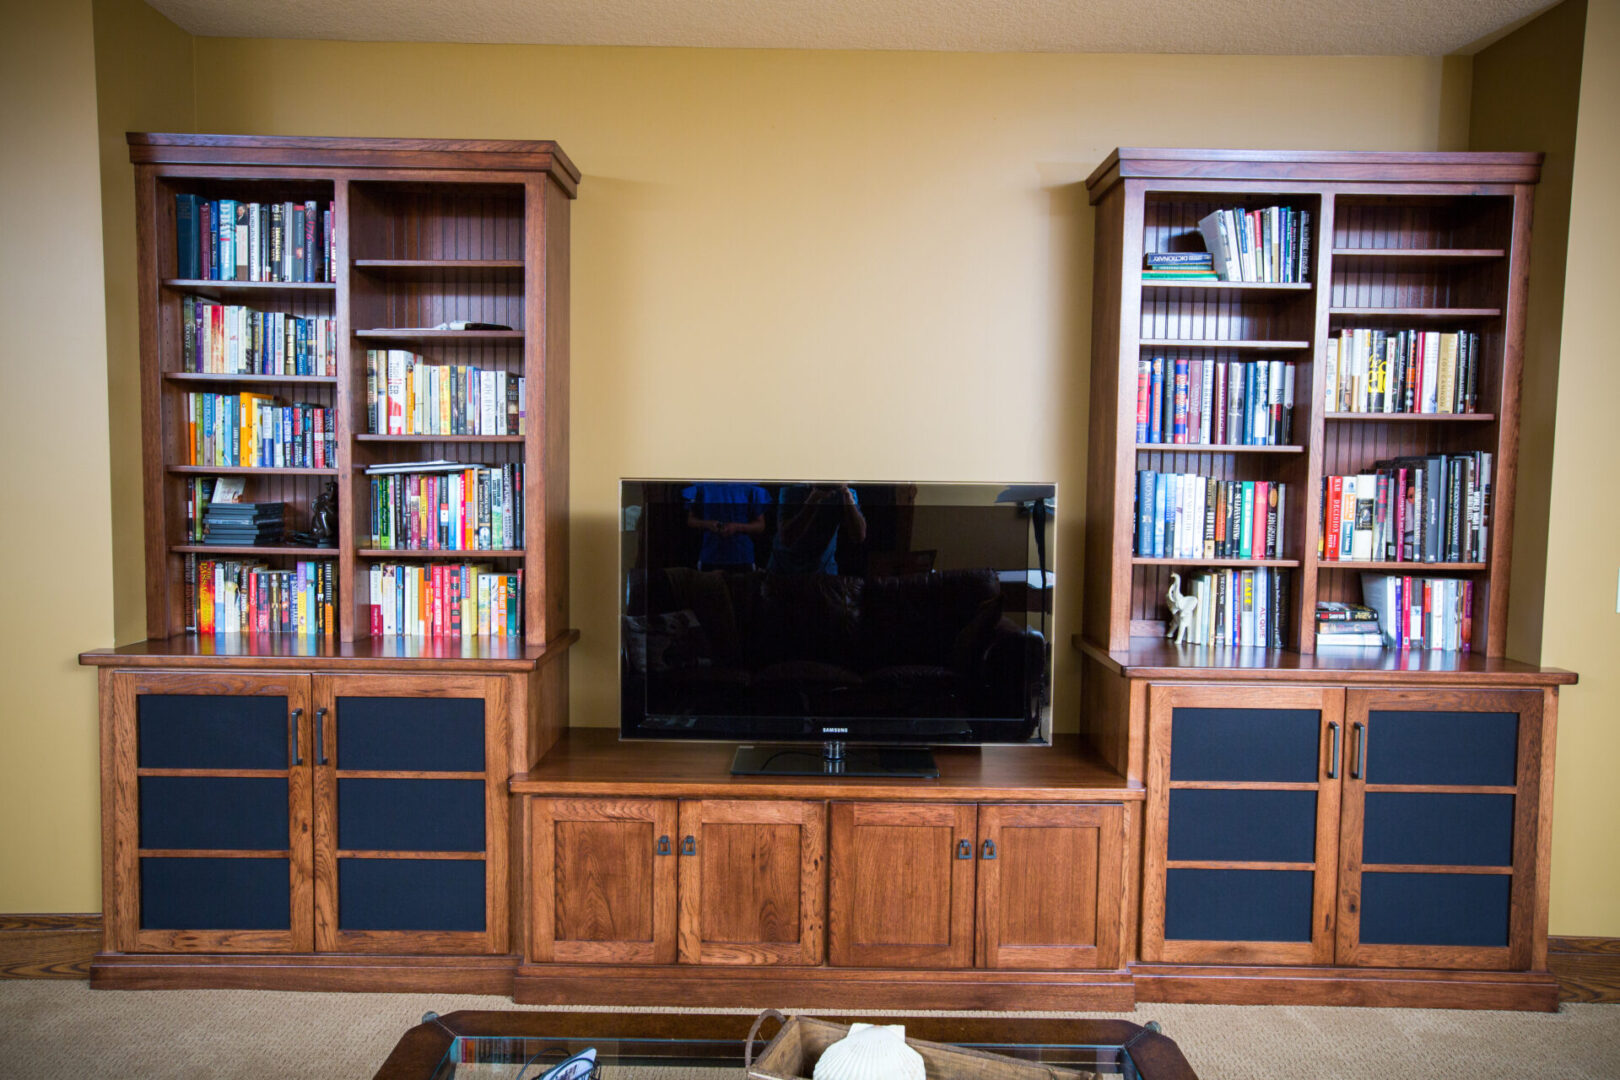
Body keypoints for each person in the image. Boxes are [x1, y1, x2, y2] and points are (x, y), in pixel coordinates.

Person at [767, 483, 867, 575]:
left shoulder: (846, 493)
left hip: (823, 571)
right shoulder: (792, 488)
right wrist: (813, 500)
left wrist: (848, 499)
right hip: (784, 569)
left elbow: (859, 536)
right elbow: (786, 538)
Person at [682, 482, 772, 571]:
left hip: (741, 557)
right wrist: (708, 524)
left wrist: (737, 527)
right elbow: (691, 520)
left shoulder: (750, 485)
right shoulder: (701, 485)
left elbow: (760, 525)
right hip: (710, 556)